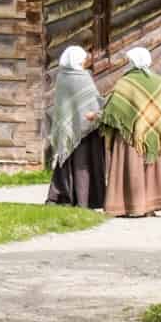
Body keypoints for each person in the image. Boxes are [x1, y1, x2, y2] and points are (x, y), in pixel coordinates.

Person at [99, 46, 161, 217]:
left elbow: (113, 111)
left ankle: (128, 206)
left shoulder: (125, 82)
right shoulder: (160, 81)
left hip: (131, 138)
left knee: (131, 167)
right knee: (152, 169)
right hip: (155, 133)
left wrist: (101, 119)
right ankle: (151, 205)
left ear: (132, 62)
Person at [45, 45, 106, 209]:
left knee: (66, 162)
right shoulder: (82, 77)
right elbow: (92, 103)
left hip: (69, 128)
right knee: (84, 164)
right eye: (83, 58)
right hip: (86, 130)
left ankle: (60, 195)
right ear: (77, 60)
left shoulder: (62, 77)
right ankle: (86, 199)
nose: (86, 60)